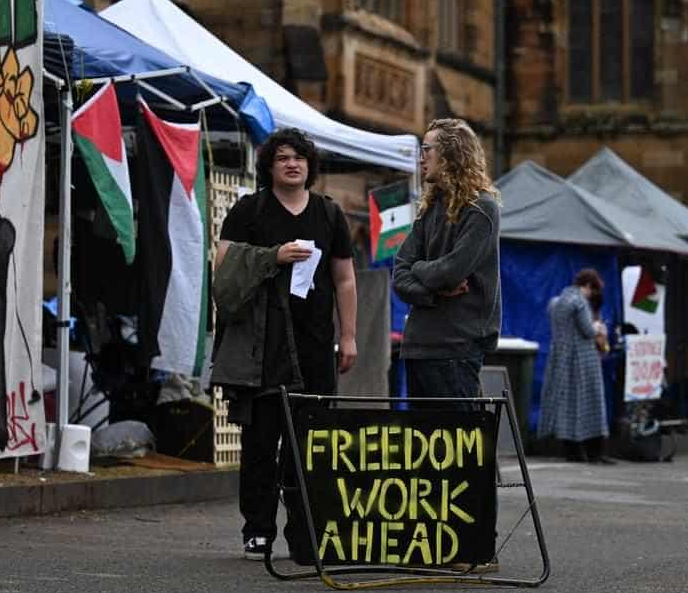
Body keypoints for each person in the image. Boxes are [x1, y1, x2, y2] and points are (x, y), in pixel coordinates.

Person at [211, 128, 357, 563]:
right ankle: (257, 529)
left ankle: (303, 532)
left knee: (310, 442)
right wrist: (271, 257)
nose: (292, 164)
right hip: (263, 345)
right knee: (260, 441)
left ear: (310, 166)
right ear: (270, 166)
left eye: (299, 158)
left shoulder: (329, 215)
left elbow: (345, 278)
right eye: (282, 158)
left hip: (315, 344)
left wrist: (347, 335)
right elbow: (223, 269)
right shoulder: (249, 210)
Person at [392, 118, 501, 406]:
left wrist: (418, 269)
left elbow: (452, 271)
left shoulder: (482, 208)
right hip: (417, 346)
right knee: (424, 445)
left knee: (456, 444)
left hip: (456, 347)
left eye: (427, 149)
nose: (421, 158)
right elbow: (399, 274)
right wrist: (430, 290)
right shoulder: (429, 209)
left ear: (451, 153)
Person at [538, 268, 616, 464]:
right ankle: (595, 452)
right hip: (583, 359)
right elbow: (588, 331)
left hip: (560, 358)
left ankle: (573, 452)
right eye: (593, 290)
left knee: (568, 405)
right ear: (588, 286)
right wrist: (598, 327)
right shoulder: (579, 302)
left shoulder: (555, 302)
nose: (592, 295)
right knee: (590, 403)